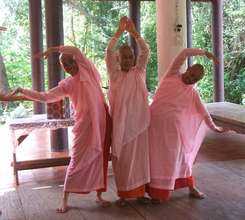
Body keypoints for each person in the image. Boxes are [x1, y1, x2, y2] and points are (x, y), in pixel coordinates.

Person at [11, 45, 111, 212]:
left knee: (99, 158)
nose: (68, 66)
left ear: (76, 61)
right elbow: (45, 97)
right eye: (64, 64)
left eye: (70, 62)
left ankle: (99, 196)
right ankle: (64, 199)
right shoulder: (67, 84)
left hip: (101, 122)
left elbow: (76, 51)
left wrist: (53, 50)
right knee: (76, 160)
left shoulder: (89, 72)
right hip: (83, 125)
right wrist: (24, 90)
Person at [147, 48, 225, 203]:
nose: (191, 79)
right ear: (188, 69)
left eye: (195, 79)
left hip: (173, 131)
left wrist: (214, 127)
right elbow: (183, 53)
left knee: (181, 158)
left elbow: (203, 112)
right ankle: (156, 191)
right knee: (154, 160)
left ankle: (190, 186)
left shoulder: (192, 93)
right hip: (154, 127)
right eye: (191, 74)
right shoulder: (171, 75)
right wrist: (204, 53)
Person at [106, 16, 150, 205]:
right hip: (121, 125)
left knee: (139, 160)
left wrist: (134, 33)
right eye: (124, 56)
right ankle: (123, 194)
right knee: (122, 160)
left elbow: (146, 51)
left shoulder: (139, 72)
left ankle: (140, 193)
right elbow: (108, 50)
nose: (128, 59)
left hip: (139, 125)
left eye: (130, 56)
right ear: (118, 59)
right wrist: (118, 32)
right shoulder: (114, 74)